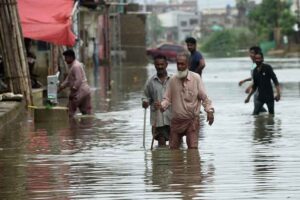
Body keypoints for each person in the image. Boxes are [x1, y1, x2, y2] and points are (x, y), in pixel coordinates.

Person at [159, 52, 214, 149]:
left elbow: (204, 98)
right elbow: (167, 99)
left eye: (182, 64)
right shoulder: (172, 80)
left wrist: (209, 111)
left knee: (193, 150)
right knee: (174, 151)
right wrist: (162, 106)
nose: (179, 66)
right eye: (178, 64)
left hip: (192, 121)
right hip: (176, 121)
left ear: (188, 64)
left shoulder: (196, 78)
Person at [142, 54, 171, 147]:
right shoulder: (150, 81)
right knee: (161, 143)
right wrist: (145, 102)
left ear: (166, 64)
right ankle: (160, 161)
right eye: (157, 65)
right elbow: (145, 96)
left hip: (172, 117)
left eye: (162, 64)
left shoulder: (173, 80)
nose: (160, 67)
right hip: (158, 119)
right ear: (154, 65)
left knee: (175, 145)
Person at [58, 49, 92, 117]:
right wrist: (61, 87)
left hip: (79, 92)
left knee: (69, 112)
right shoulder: (74, 66)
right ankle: (87, 126)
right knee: (87, 114)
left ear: (71, 57)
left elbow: (78, 80)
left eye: (66, 58)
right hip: (85, 92)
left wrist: (72, 91)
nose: (65, 60)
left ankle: (71, 126)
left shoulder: (76, 66)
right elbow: (68, 80)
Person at [239, 46, 267, 113]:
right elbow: (253, 77)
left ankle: (268, 119)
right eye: (250, 53)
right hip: (257, 90)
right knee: (260, 109)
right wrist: (244, 80)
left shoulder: (257, 65)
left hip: (260, 91)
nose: (250, 55)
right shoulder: (254, 65)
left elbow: (257, 78)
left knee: (256, 112)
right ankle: (269, 118)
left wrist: (249, 87)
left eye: (252, 53)